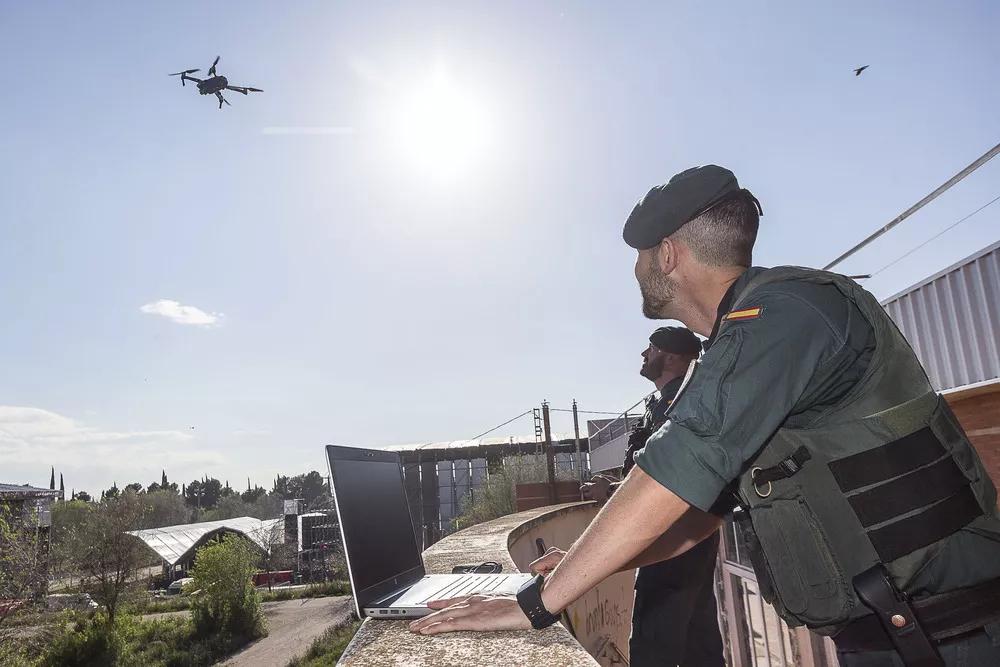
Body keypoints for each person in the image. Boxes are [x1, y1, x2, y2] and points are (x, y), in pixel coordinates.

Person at [409, 165, 1000, 667]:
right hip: (899, 635)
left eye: (640, 256)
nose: (637, 270)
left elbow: (673, 467)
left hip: (959, 632)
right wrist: (583, 562)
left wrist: (534, 606)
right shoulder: (749, 340)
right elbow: (695, 516)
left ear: (666, 254)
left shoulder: (784, 312)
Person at [581, 326, 724, 667]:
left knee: (654, 643)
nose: (644, 356)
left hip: (670, 537)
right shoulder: (667, 402)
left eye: (651, 349)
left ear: (672, 357)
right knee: (697, 637)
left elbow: (676, 476)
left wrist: (611, 492)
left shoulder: (680, 404)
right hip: (688, 536)